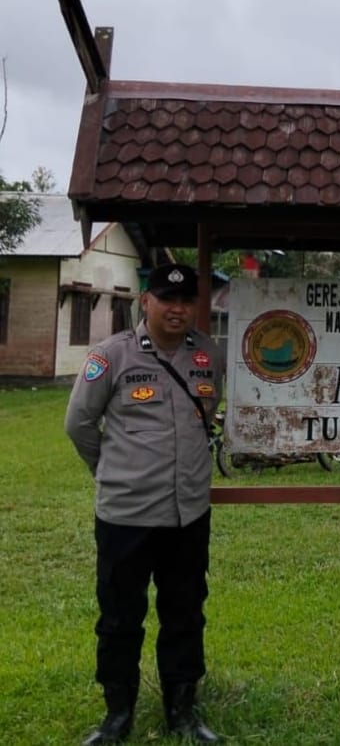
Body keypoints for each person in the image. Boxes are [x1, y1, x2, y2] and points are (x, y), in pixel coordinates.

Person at [65, 263, 225, 744]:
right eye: (166, 299)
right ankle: (117, 715)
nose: (177, 309)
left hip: (187, 514)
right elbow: (79, 424)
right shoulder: (111, 355)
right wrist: (112, 471)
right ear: (145, 301)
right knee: (119, 618)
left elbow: (208, 413)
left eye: (186, 300)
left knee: (185, 613)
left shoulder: (208, 355)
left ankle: (182, 711)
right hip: (125, 516)